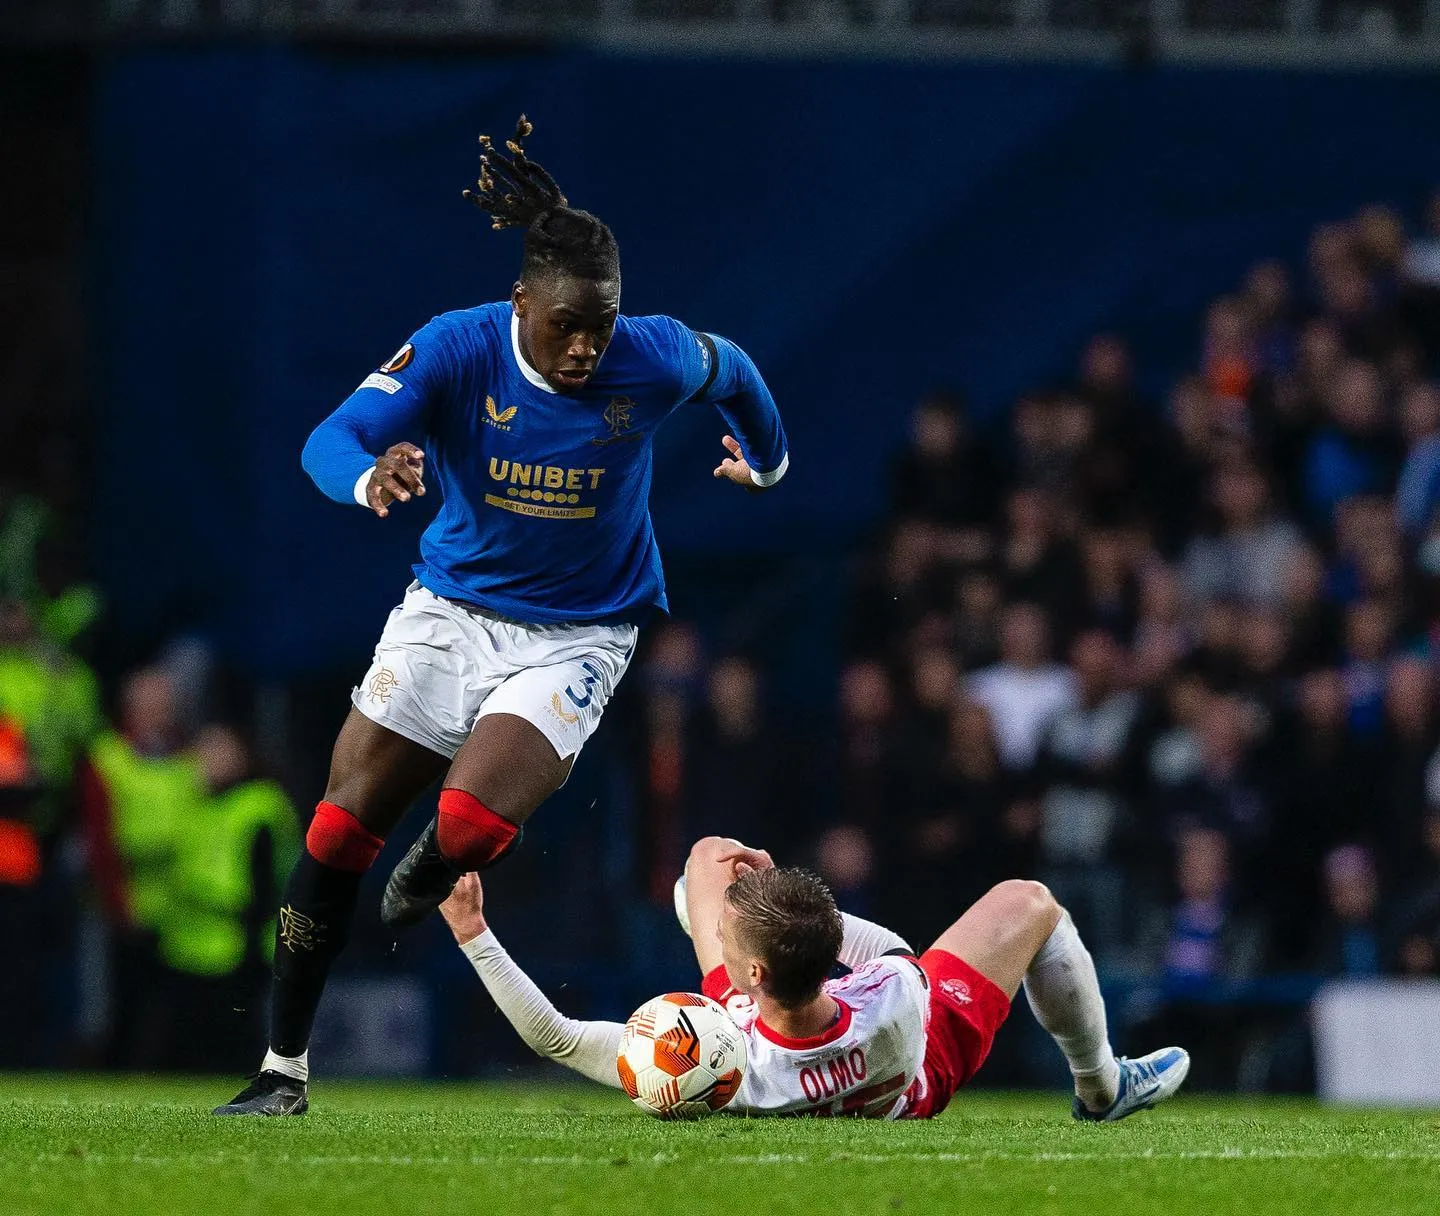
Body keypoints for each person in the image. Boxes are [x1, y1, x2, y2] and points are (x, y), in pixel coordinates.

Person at [215, 117, 789, 1115]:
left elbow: (732, 367)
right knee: (338, 832)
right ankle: (283, 1071)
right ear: (521, 299)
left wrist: (767, 459)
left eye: (598, 326)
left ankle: (441, 852)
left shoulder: (647, 357)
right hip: (449, 612)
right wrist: (365, 478)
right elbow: (332, 435)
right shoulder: (455, 348)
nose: (582, 347)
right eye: (565, 322)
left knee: (471, 820)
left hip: (580, 630)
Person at [439, 837, 1189, 1121]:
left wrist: (474, 933)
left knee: (704, 867)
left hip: (790, 1039)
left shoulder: (727, 1058)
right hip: (922, 1067)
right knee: (1031, 905)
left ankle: (717, 912)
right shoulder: (895, 996)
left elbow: (556, 1038)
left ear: (751, 975)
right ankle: (1101, 1085)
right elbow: (894, 953)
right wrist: (784, 906)